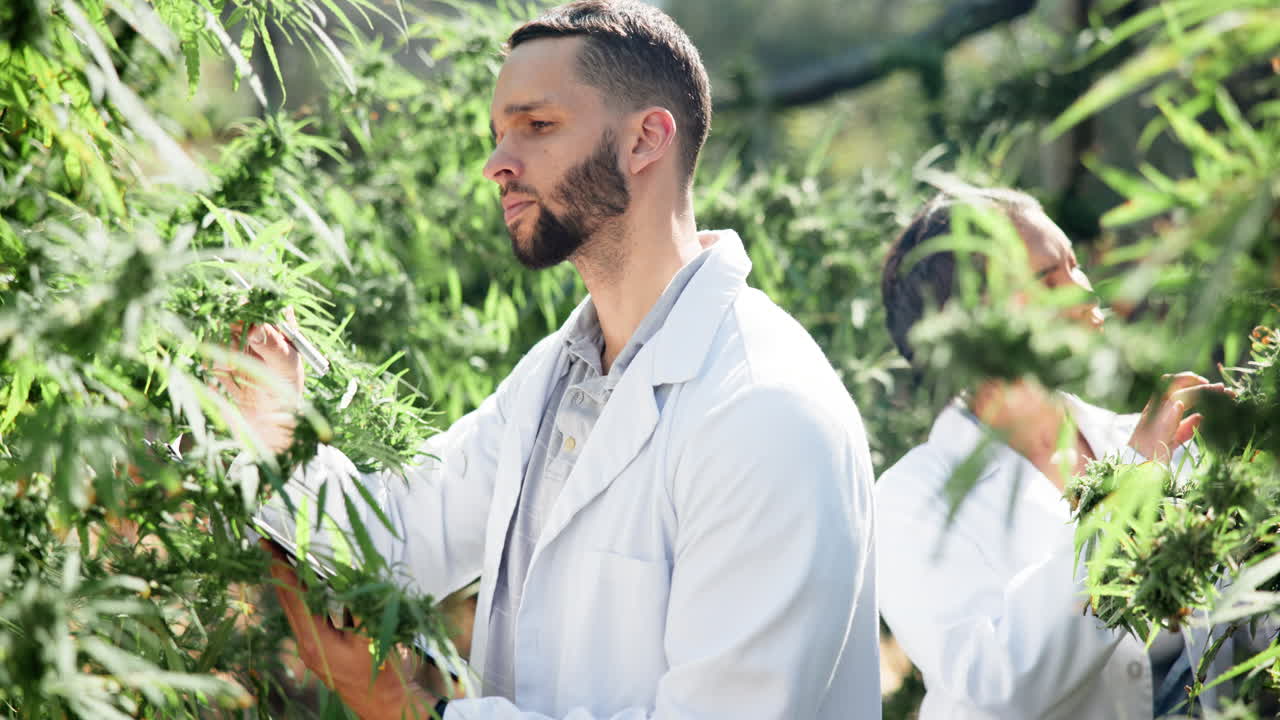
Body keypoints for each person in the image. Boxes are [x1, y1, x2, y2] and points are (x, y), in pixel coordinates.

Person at [220, 2, 881, 718]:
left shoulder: (764, 411)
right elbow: (398, 538)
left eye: (538, 127)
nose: (497, 164)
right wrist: (271, 426)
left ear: (645, 140)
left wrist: (403, 710)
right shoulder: (559, 374)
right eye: (499, 133)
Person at [875, 188, 1233, 719]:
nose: (1085, 293)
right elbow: (998, 682)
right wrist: (1130, 493)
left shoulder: (1157, 443)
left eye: (1074, 265)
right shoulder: (908, 500)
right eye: (1048, 279)